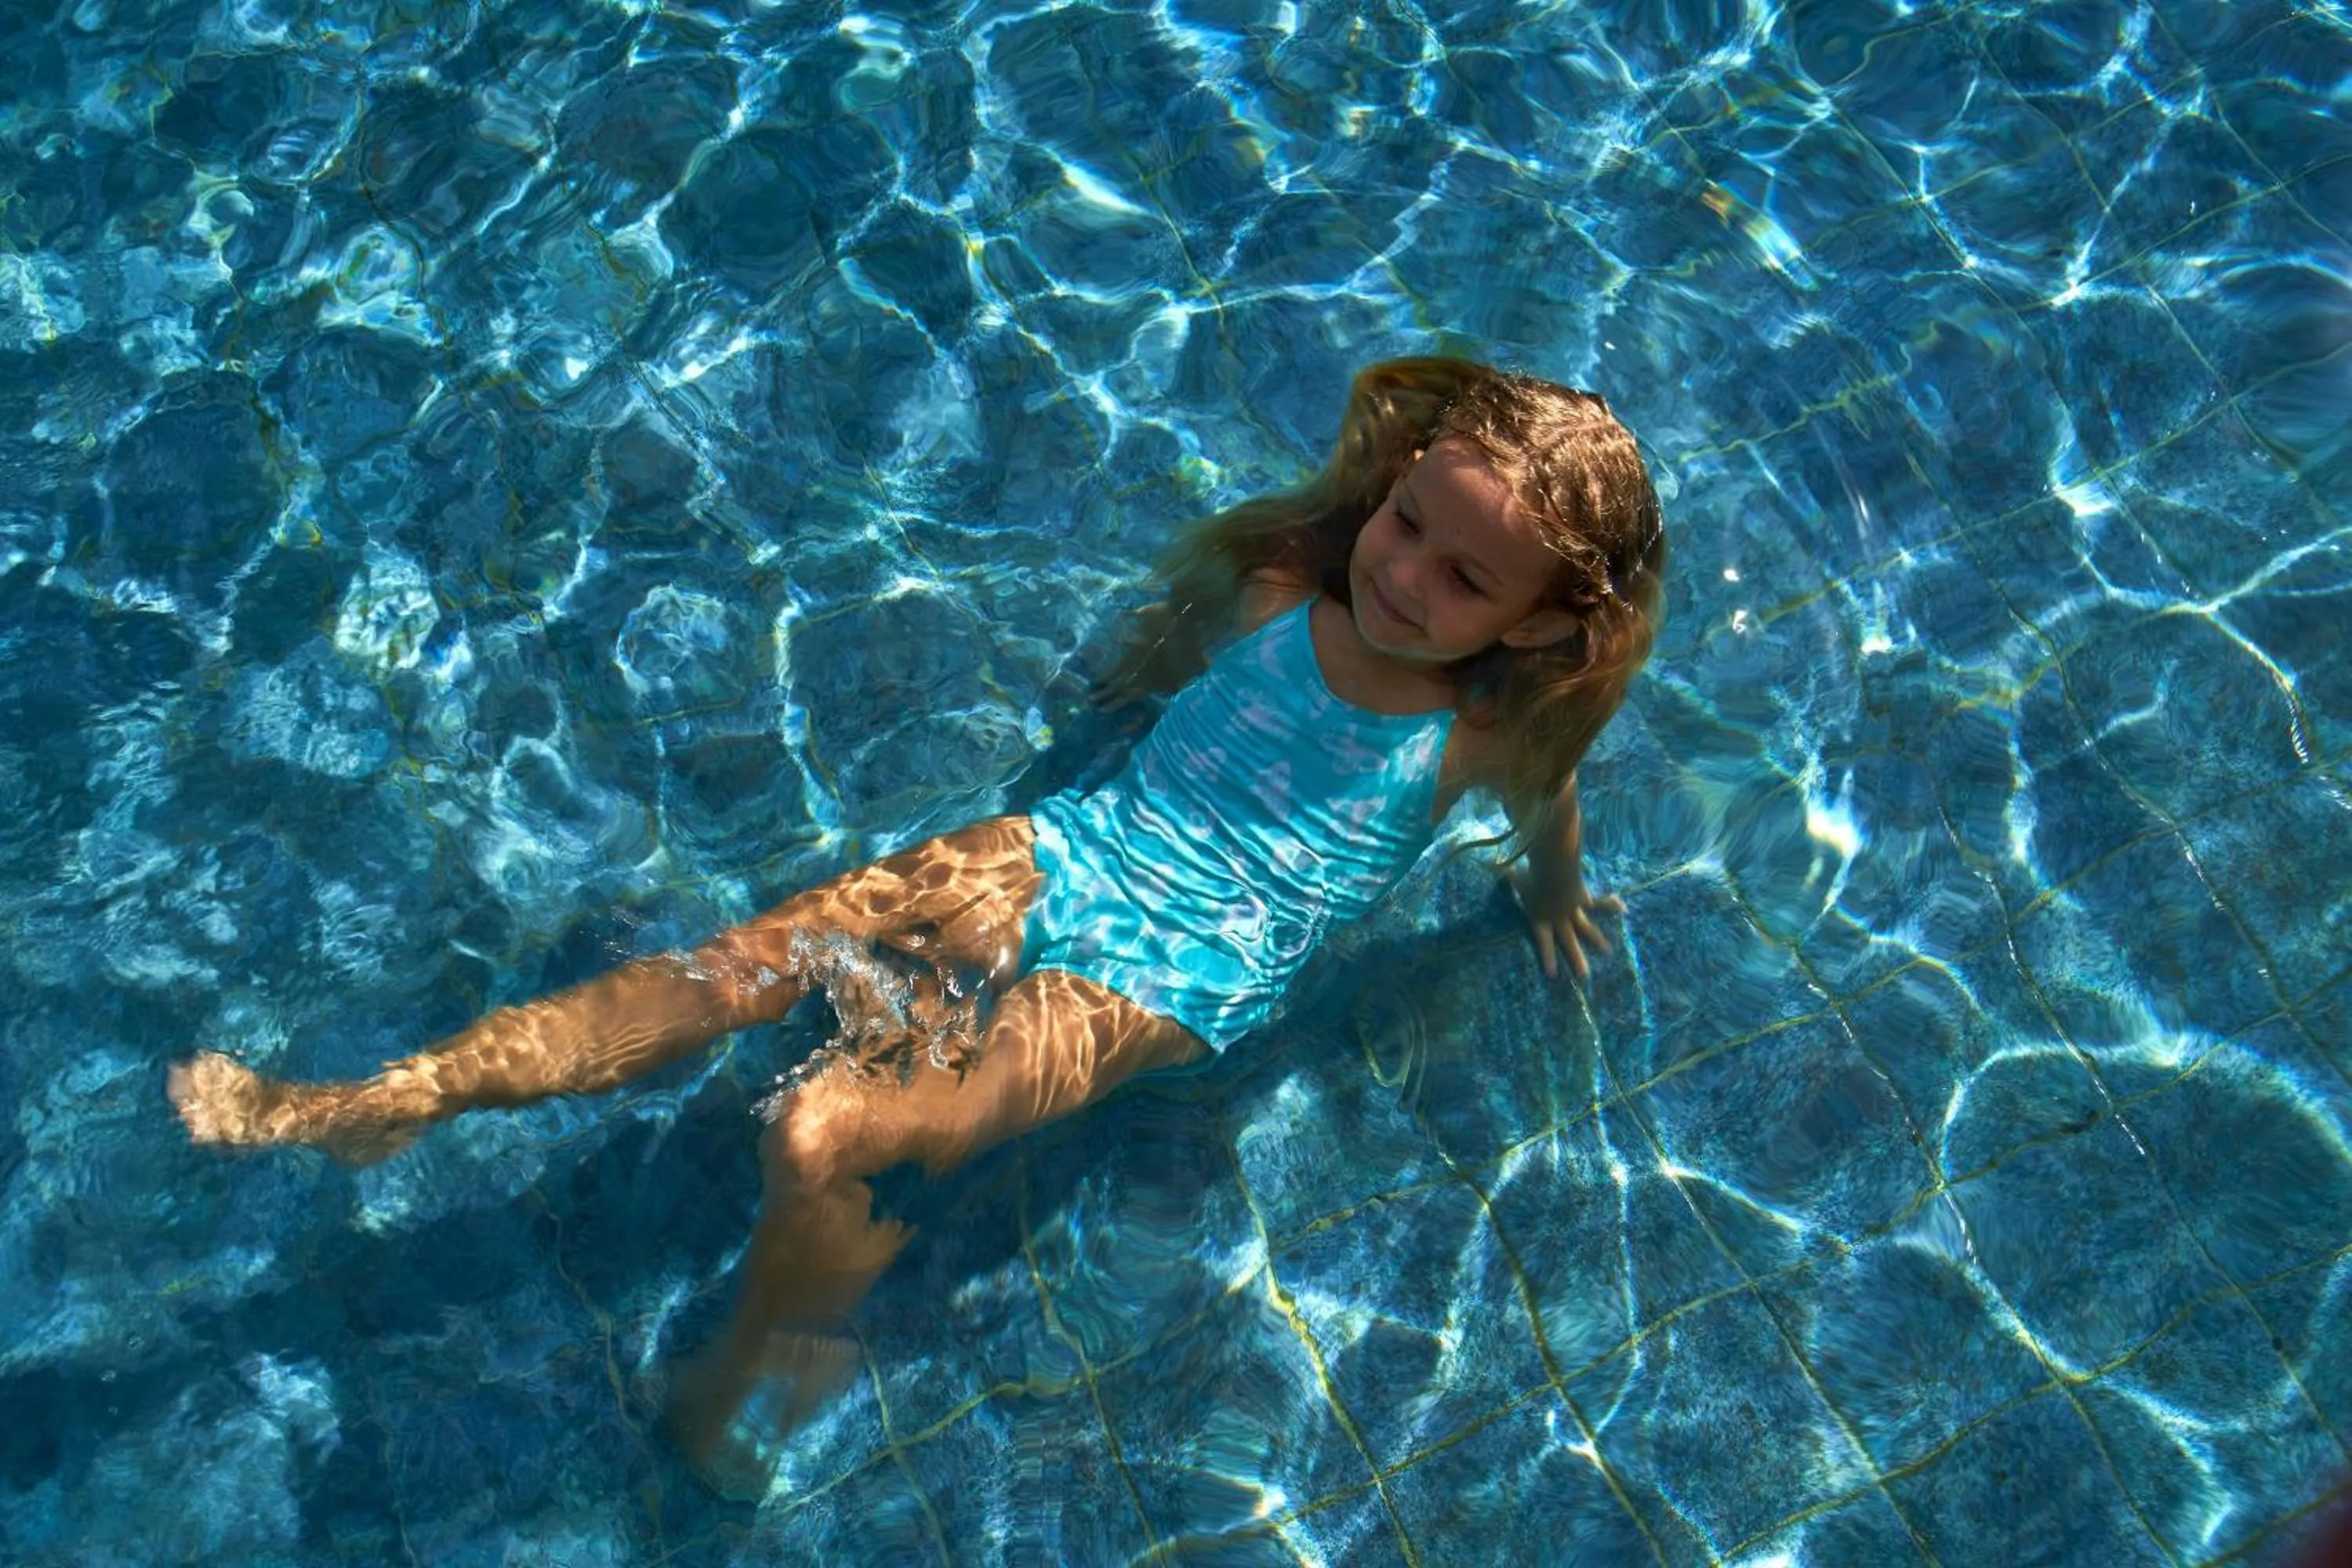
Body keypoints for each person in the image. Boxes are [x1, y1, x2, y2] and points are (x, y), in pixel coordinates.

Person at [167, 354, 1668, 1488]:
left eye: (1463, 577)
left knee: (820, 1132)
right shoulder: (1286, 589)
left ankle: (770, 1359)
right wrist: (1118, 694)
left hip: (1188, 969)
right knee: (744, 965)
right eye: (1406, 524)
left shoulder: (1481, 739)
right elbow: (1160, 654)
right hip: (1074, 845)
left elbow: (1549, 816)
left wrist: (1543, 900)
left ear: (1534, 625)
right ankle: (396, 1098)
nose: (1402, 575)